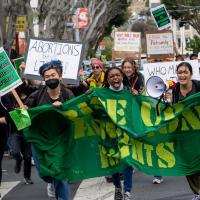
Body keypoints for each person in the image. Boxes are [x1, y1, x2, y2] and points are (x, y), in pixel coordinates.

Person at [25, 60, 74, 200]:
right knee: (44, 173)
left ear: (60, 76)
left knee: (59, 173)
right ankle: (51, 182)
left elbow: (76, 115)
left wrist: (64, 109)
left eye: (53, 75)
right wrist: (23, 111)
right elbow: (23, 119)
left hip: (61, 140)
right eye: (47, 76)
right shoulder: (36, 95)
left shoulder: (67, 94)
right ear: (44, 79)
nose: (50, 78)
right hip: (41, 140)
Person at [166, 62, 200, 200]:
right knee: (188, 166)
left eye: (185, 72)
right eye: (180, 72)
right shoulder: (173, 90)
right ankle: (197, 192)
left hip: (198, 133)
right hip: (183, 135)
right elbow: (170, 111)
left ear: (191, 74)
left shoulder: (198, 86)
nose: (182, 75)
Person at [103, 66, 138, 200]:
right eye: (111, 76)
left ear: (122, 77)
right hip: (109, 135)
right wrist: (89, 94)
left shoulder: (130, 92)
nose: (115, 78)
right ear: (108, 79)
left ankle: (127, 191)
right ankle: (118, 187)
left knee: (127, 161)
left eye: (117, 75)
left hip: (126, 134)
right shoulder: (102, 93)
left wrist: (137, 97)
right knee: (113, 164)